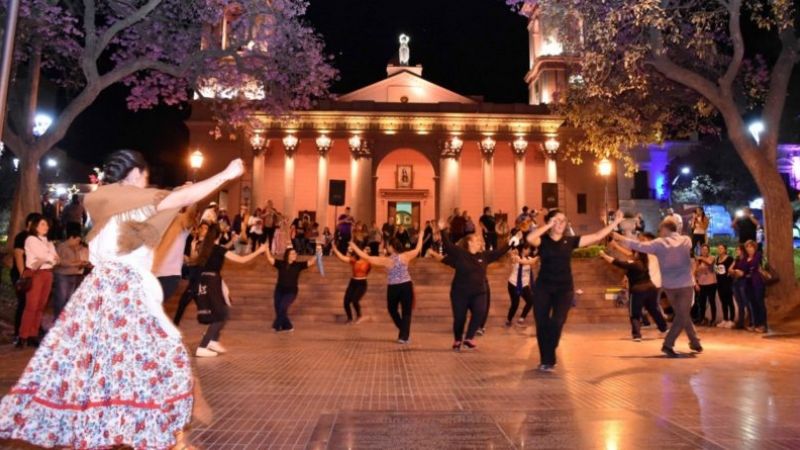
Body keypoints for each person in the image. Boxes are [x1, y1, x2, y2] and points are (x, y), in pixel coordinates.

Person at [0, 149, 245, 449]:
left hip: (97, 293)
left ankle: (112, 426)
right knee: (158, 358)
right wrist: (226, 174)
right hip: (125, 292)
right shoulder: (135, 205)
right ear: (135, 174)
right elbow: (178, 199)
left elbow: (163, 205)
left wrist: (173, 198)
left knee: (102, 364)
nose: (147, 183)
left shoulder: (104, 206)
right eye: (145, 176)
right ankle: (140, 427)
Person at [527, 209, 625, 371]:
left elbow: (597, 236)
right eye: (557, 220)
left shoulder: (570, 241)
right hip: (543, 288)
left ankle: (548, 355)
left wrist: (615, 222)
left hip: (564, 289)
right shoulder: (542, 241)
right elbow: (530, 238)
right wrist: (548, 225)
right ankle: (547, 360)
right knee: (542, 324)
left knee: (557, 321)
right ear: (549, 222)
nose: (561, 223)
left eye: (563, 220)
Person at [613, 219, 702, 358]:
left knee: (682, 314)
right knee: (682, 314)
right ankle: (668, 344)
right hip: (685, 284)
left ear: (665, 229)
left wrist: (620, 238)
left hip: (670, 286)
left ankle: (695, 342)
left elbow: (638, 246)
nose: (659, 232)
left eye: (660, 230)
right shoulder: (686, 240)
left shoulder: (658, 244)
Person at [435, 220, 513, 350]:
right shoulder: (460, 253)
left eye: (480, 241)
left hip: (479, 292)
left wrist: (511, 243)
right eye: (477, 241)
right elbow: (448, 246)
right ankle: (458, 339)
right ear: (469, 242)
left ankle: (469, 338)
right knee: (460, 318)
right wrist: (443, 230)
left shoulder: (484, 256)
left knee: (480, 313)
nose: (480, 243)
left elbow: (499, 253)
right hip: (460, 293)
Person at [194, 224, 266, 357]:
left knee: (225, 310)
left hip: (205, 280)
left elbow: (219, 252)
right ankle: (202, 346)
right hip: (213, 282)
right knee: (220, 314)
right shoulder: (218, 249)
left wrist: (231, 242)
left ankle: (213, 340)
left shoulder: (204, 248)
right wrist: (259, 251)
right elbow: (242, 260)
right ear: (219, 236)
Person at [350, 233, 425, 344]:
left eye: (387, 245)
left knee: (392, 310)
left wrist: (354, 246)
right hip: (406, 286)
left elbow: (367, 258)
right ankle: (404, 334)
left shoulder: (387, 260)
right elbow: (418, 249)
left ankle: (403, 336)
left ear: (391, 247)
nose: (386, 247)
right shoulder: (406, 256)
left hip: (394, 287)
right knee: (406, 312)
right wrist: (421, 235)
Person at [599, 245, 667, 341]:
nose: (632, 254)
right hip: (651, 289)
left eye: (633, 252)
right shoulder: (644, 263)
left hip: (638, 291)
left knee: (635, 313)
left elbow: (617, 262)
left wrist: (603, 255)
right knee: (654, 310)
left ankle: (637, 335)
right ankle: (664, 329)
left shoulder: (634, 264)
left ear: (637, 253)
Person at [20, 216, 59, 347]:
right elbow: (44, 256)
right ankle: (23, 335)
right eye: (42, 224)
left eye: (47, 224)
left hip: (47, 273)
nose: (46, 227)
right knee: (32, 305)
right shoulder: (31, 239)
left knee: (41, 306)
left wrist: (49, 258)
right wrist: (50, 257)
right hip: (35, 273)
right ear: (35, 226)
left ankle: (33, 334)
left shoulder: (48, 242)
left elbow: (56, 260)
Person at [265, 244, 319, 332]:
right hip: (279, 290)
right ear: (288, 255)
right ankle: (288, 326)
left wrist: (318, 253)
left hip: (291, 291)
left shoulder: (298, 265)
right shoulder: (281, 263)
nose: (295, 255)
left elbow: (311, 262)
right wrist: (266, 249)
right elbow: (270, 259)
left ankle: (276, 326)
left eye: (295, 254)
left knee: (282, 307)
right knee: (278, 308)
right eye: (293, 254)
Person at [153, 206, 195, 301]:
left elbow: (190, 216)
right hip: (153, 273)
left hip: (169, 275)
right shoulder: (160, 222)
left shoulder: (181, 222)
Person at [10, 213, 39, 347]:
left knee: (34, 305)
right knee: (24, 303)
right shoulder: (22, 237)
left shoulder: (37, 238)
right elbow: (18, 255)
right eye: (39, 223)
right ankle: (19, 334)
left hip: (35, 275)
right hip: (22, 275)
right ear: (30, 223)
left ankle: (31, 333)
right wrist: (23, 275)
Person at [173, 221, 209, 325]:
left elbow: (201, 260)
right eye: (202, 228)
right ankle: (211, 322)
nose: (203, 230)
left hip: (200, 274)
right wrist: (186, 258)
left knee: (184, 300)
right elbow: (188, 254)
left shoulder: (207, 245)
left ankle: (175, 324)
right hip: (192, 272)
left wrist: (190, 260)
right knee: (197, 299)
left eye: (206, 228)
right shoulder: (192, 240)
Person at [52, 225, 90, 320]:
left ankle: (65, 319)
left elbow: (76, 260)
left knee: (69, 299)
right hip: (63, 276)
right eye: (77, 240)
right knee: (61, 299)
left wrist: (81, 263)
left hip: (73, 275)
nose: (78, 242)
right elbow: (58, 262)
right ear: (71, 238)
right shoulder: (61, 247)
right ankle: (58, 318)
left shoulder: (75, 248)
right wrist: (74, 263)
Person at [332, 242, 371, 324]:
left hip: (362, 283)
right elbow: (342, 258)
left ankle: (359, 316)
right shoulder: (354, 259)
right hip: (353, 282)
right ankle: (349, 318)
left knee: (355, 300)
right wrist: (335, 249)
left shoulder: (368, 260)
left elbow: (379, 262)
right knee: (346, 302)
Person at [505, 245, 538, 327]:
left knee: (531, 301)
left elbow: (533, 263)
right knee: (515, 304)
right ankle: (509, 319)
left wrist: (538, 255)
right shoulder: (516, 258)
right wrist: (512, 253)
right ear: (523, 249)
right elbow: (523, 262)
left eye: (530, 250)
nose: (529, 251)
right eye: (528, 249)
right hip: (513, 284)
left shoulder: (529, 258)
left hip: (524, 285)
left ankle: (522, 318)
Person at [741, 240, 767, 332]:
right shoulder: (745, 258)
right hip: (748, 284)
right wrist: (747, 266)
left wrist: (748, 265)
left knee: (760, 304)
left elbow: (754, 264)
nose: (749, 249)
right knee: (753, 304)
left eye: (750, 247)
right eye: (747, 247)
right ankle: (756, 324)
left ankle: (763, 325)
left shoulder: (758, 255)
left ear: (754, 248)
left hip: (758, 283)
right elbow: (742, 267)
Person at [693, 244, 718, 326]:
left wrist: (701, 258)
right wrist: (696, 283)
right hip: (701, 284)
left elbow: (710, 263)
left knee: (712, 302)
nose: (704, 251)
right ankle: (702, 318)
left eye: (706, 249)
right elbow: (694, 273)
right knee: (702, 303)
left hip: (711, 283)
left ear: (708, 250)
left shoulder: (712, 257)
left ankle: (713, 320)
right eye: (703, 249)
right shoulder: (698, 261)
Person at [730, 245, 752, 329]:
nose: (737, 251)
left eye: (738, 249)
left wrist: (739, 272)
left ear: (742, 250)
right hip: (736, 282)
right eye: (736, 249)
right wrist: (735, 271)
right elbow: (730, 269)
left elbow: (745, 272)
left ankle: (751, 321)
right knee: (740, 303)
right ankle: (740, 322)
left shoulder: (746, 259)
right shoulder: (737, 259)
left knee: (746, 302)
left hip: (744, 283)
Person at [714, 245, 735, 328]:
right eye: (718, 248)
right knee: (723, 302)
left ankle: (732, 320)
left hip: (728, 283)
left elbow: (732, 270)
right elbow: (716, 271)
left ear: (725, 250)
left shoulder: (729, 259)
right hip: (719, 283)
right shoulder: (717, 259)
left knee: (730, 301)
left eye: (721, 248)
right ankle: (725, 319)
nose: (719, 250)